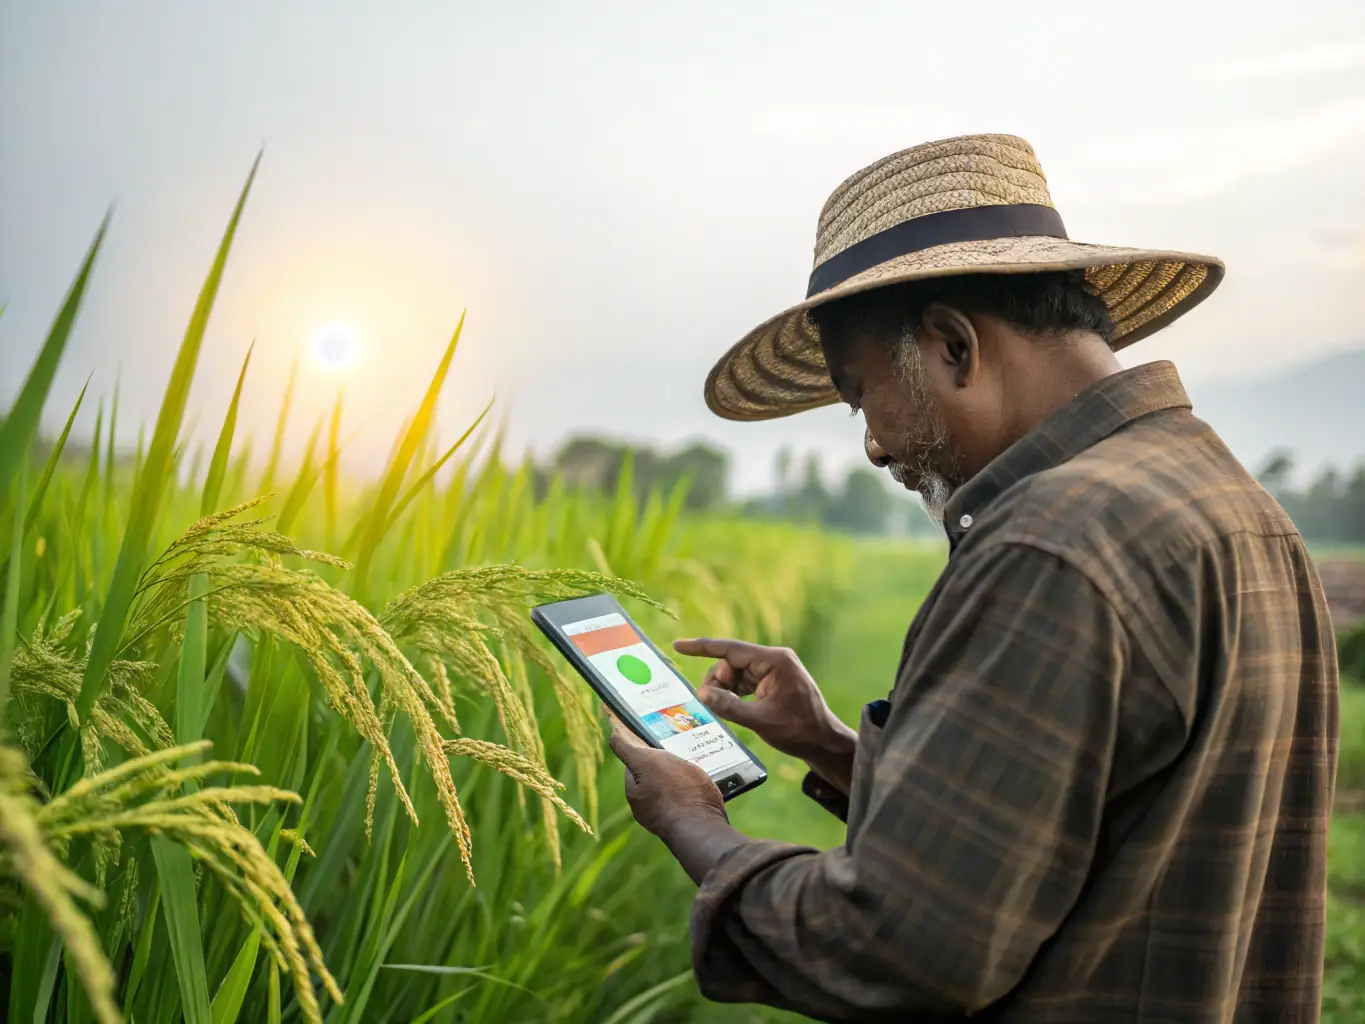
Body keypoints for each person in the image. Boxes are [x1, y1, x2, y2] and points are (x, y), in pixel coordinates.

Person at [606, 134, 1339, 1022]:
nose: (873, 444)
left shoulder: (1046, 545)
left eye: (860, 394)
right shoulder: (1233, 504)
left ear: (953, 346)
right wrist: (833, 746)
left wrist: (693, 822)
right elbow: (1096, 824)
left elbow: (901, 950)